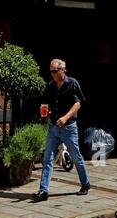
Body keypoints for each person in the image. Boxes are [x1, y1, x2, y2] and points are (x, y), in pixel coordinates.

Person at [31, 58, 90, 202]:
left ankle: (85, 183)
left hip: (69, 127)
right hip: (53, 128)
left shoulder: (72, 83)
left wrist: (65, 117)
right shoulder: (51, 86)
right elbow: (48, 104)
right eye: (51, 71)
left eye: (54, 71)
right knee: (47, 159)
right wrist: (44, 110)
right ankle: (43, 191)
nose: (52, 73)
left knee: (76, 157)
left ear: (63, 70)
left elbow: (78, 104)